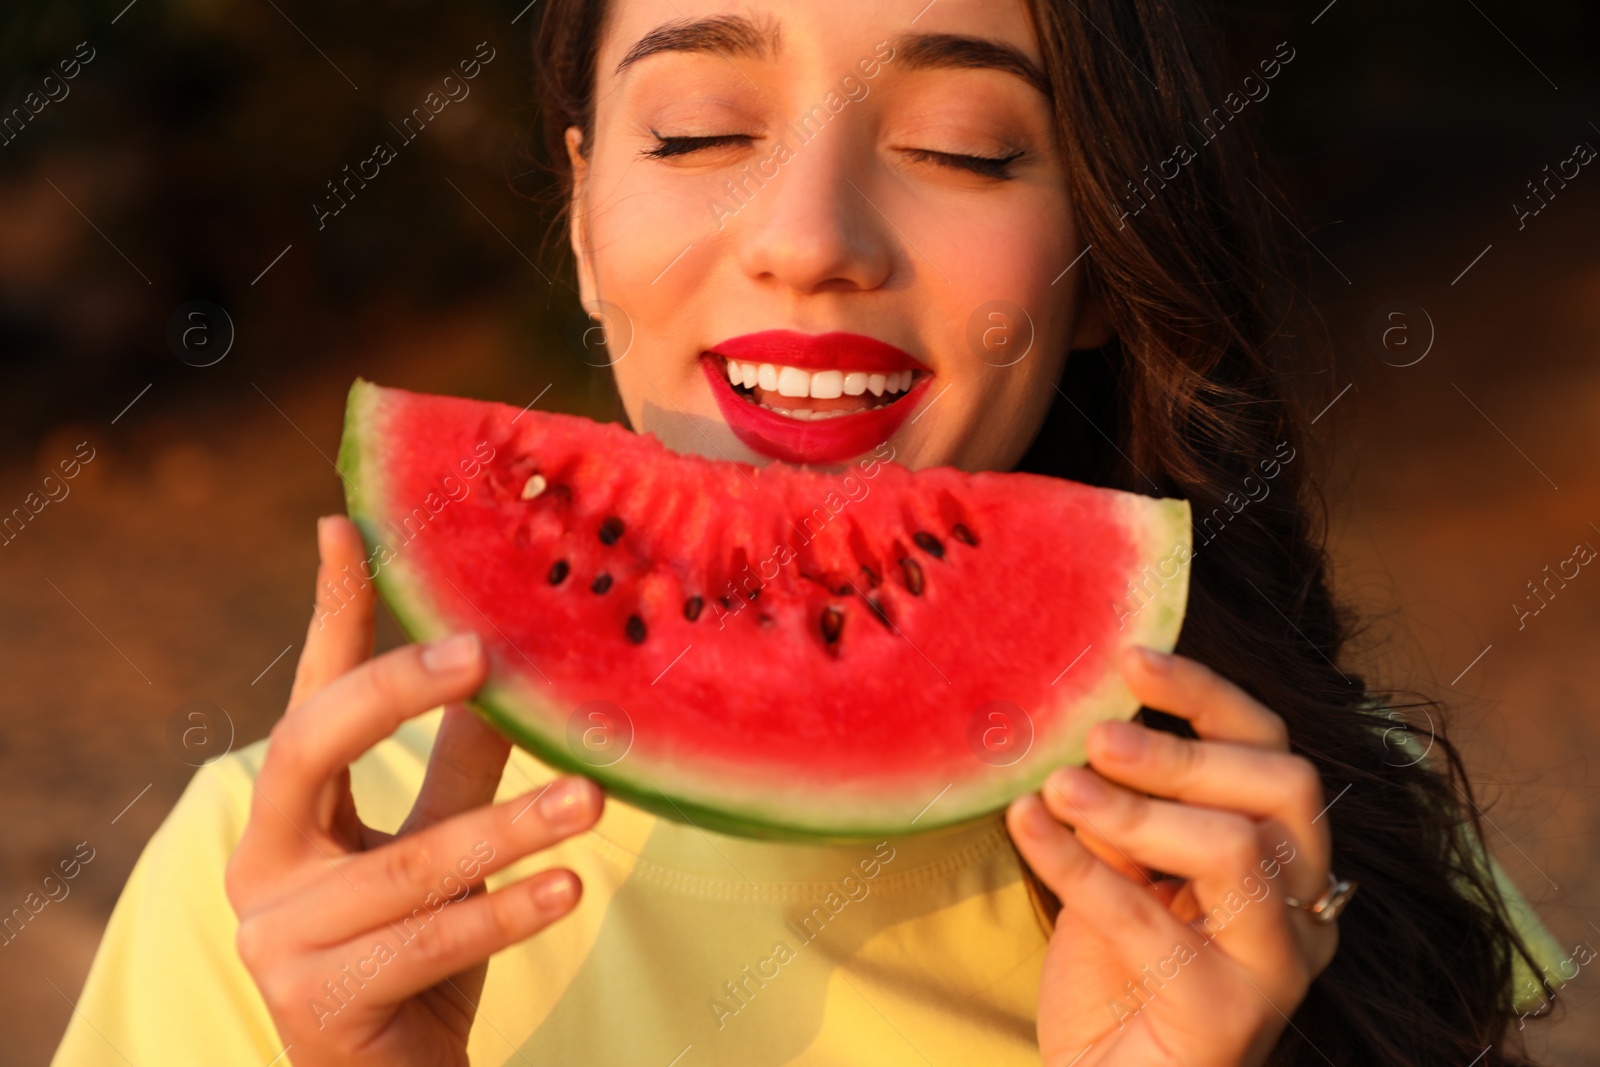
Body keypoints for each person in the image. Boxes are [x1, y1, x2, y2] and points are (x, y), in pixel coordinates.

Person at [54, 1, 1568, 1064]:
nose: (811, 238)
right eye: (705, 128)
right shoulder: (277, 892)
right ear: (583, 220)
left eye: (970, 146)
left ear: (1104, 252)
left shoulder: (1302, 835)